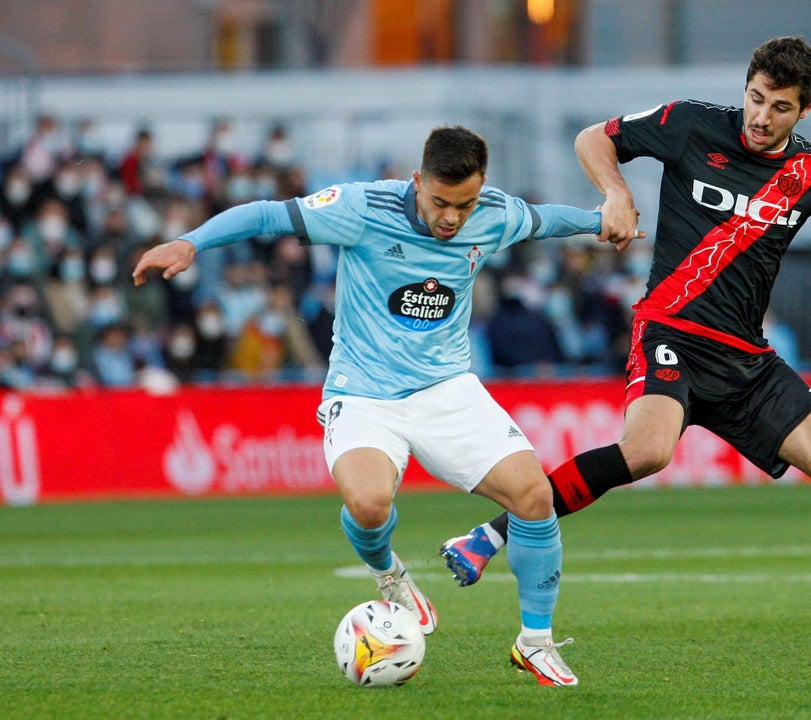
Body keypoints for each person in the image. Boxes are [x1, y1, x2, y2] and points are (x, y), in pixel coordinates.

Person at [440, 37, 811, 681]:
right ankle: (493, 531)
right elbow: (592, 138)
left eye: (781, 107)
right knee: (649, 450)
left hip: (747, 360)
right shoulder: (690, 123)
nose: (761, 117)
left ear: (806, 110)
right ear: (744, 88)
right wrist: (616, 193)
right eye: (756, 98)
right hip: (672, 331)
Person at [132, 125, 630, 687]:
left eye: (463, 204)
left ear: (481, 188)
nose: (451, 218)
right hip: (363, 391)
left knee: (535, 496)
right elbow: (269, 215)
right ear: (417, 182)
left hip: (447, 389)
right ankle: (388, 573)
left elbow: (545, 220)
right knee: (369, 505)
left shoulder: (493, 213)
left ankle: (534, 643)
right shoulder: (360, 207)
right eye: (440, 201)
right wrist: (191, 242)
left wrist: (599, 220)